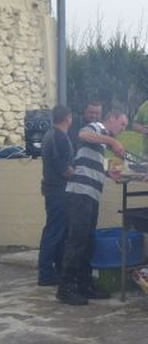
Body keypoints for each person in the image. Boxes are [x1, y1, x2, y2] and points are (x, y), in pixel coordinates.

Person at [56, 110, 128, 306]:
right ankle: (65, 288)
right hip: (80, 194)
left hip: (90, 195)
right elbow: (82, 134)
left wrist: (108, 173)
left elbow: (94, 164)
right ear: (111, 118)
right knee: (77, 241)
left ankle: (84, 284)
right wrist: (113, 142)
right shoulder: (98, 127)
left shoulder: (101, 142)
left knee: (87, 242)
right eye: (121, 124)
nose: (122, 130)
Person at [37, 105, 74, 286]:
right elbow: (63, 169)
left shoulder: (49, 135)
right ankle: (45, 273)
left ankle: (57, 269)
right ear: (68, 118)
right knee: (54, 231)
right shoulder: (58, 137)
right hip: (58, 190)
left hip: (53, 189)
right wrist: (80, 174)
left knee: (58, 231)